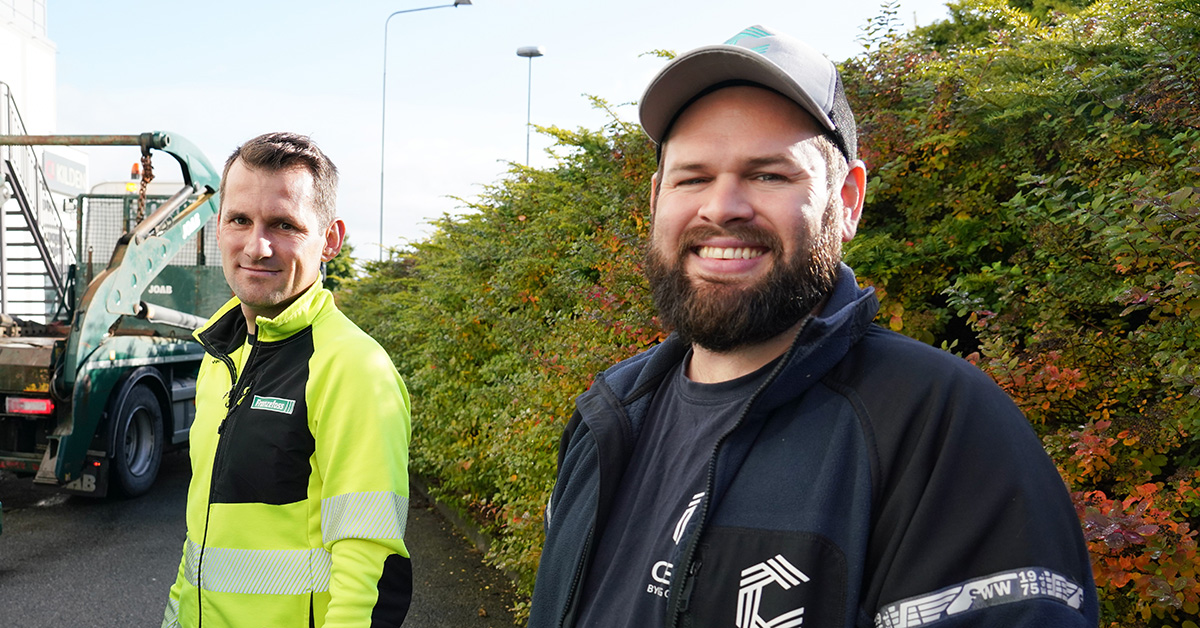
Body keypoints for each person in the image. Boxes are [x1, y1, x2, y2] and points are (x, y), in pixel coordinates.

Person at [527, 26, 1099, 628]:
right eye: (692, 177)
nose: (721, 207)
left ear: (847, 200)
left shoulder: (939, 424)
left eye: (770, 175)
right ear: (655, 200)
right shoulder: (609, 413)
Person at [162, 132, 413, 628]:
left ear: (331, 240)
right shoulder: (221, 355)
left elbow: (370, 568)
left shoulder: (353, 369)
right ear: (218, 227)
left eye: (284, 225)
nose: (257, 246)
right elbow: (203, 542)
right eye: (240, 220)